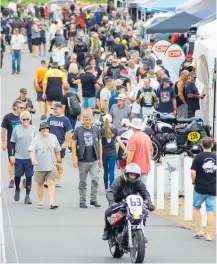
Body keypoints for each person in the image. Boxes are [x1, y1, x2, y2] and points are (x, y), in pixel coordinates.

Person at [102, 163, 155, 240]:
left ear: (137, 175)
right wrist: (112, 202)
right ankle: (107, 230)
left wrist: (149, 203)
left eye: (134, 175)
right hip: (120, 205)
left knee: (144, 213)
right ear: (127, 174)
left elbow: (145, 193)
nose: (132, 177)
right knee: (108, 213)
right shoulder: (119, 180)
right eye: (131, 174)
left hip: (133, 206)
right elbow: (111, 192)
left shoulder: (139, 182)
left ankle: (141, 233)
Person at [72, 112, 102, 208]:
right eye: (86, 119)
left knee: (95, 179)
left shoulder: (96, 130)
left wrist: (100, 158)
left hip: (94, 160)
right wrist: (74, 158)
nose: (88, 121)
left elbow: (100, 144)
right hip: (82, 160)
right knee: (83, 182)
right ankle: (82, 201)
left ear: (92, 120)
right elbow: (73, 143)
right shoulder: (78, 130)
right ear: (83, 121)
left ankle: (93, 199)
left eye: (89, 119)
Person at [28, 120, 61, 209]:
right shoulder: (36, 139)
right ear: (40, 130)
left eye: (47, 128)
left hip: (51, 165)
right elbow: (31, 150)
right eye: (43, 129)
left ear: (49, 129)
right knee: (40, 184)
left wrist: (59, 162)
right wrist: (33, 159)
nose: (45, 130)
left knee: (51, 183)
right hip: (39, 166)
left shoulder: (53, 137)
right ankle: (41, 201)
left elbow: (57, 150)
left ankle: (52, 202)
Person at [191, 137, 216, 241]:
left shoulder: (198, 157)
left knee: (196, 207)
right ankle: (209, 235)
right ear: (212, 145)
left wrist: (193, 181)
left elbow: (193, 172)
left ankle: (199, 230)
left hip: (199, 187)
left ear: (201, 145)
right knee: (210, 210)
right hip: (212, 188)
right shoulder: (215, 157)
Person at [10, 111, 37, 204]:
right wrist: (11, 155)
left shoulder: (33, 129)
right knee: (17, 176)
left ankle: (27, 196)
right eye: (23, 119)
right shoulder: (16, 129)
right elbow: (12, 143)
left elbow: (36, 143)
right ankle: (17, 189)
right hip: (18, 157)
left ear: (30, 119)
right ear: (20, 120)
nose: (25, 121)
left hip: (29, 158)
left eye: (27, 119)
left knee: (29, 177)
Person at [1, 100, 26, 188]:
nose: (23, 109)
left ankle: (25, 179)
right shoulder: (8, 117)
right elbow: (3, 130)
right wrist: (3, 142)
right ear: (15, 107)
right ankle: (12, 179)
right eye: (21, 108)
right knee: (12, 161)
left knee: (24, 161)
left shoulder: (25, 117)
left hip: (23, 142)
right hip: (11, 142)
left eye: (24, 108)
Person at [47, 102, 72, 187]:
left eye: (56, 109)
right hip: (49, 144)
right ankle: (50, 179)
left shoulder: (65, 120)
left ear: (61, 109)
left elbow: (69, 132)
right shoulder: (50, 118)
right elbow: (45, 130)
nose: (54, 111)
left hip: (60, 144)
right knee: (49, 162)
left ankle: (58, 180)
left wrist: (65, 143)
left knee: (59, 162)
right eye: (53, 109)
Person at [100, 114, 126, 191]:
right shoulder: (114, 130)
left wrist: (98, 155)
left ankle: (106, 188)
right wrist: (126, 149)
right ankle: (111, 187)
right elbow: (119, 141)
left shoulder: (101, 130)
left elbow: (99, 143)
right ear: (111, 120)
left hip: (104, 153)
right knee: (111, 170)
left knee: (105, 170)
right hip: (112, 153)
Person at [127, 118, 153, 184]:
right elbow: (151, 152)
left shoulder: (133, 138)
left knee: (133, 191)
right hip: (145, 167)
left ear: (133, 128)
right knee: (142, 190)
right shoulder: (147, 137)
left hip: (134, 169)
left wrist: (127, 166)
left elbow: (131, 154)